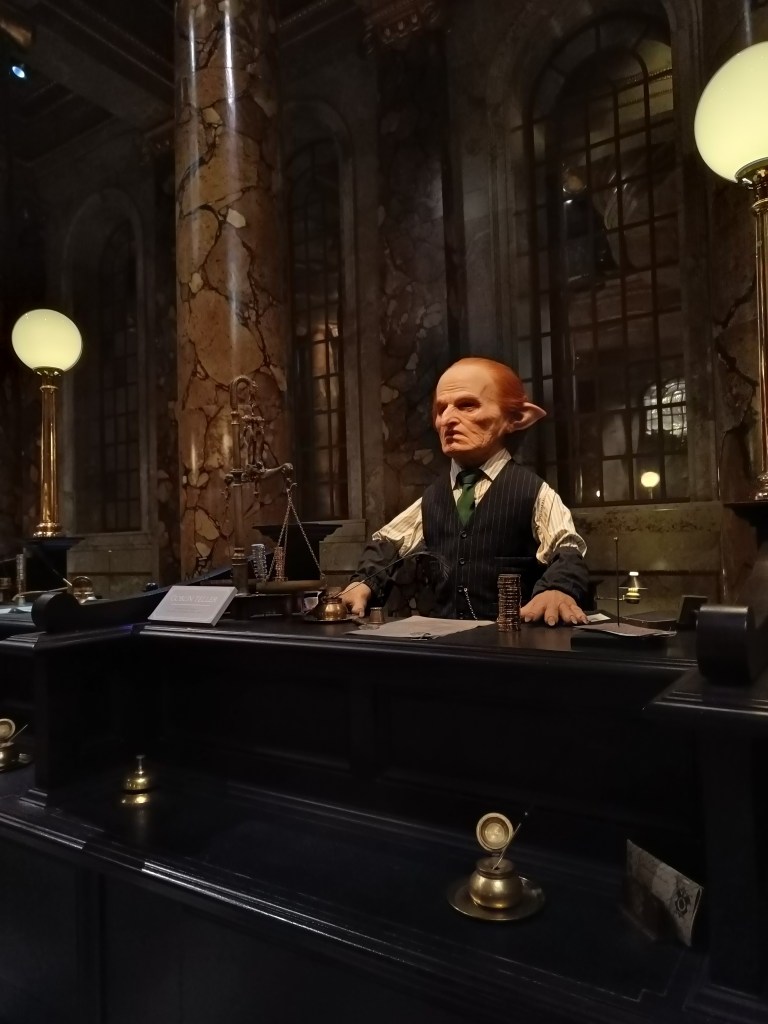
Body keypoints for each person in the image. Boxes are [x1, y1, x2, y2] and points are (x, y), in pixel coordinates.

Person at [342, 357, 590, 626]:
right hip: (446, 642)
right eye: (441, 409)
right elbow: (389, 543)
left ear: (515, 418)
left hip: (511, 643)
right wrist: (363, 583)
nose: (447, 420)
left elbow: (567, 547)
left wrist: (558, 588)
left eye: (467, 405)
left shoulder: (532, 492)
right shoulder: (433, 498)